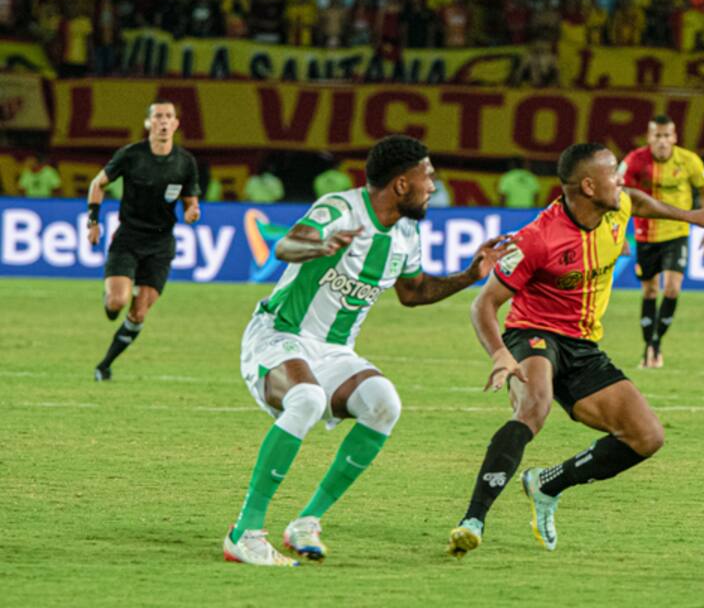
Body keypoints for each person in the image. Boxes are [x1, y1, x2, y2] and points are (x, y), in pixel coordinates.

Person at [447, 142, 704, 557]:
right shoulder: (537, 238)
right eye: (612, 174)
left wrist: (690, 217)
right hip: (533, 333)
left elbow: (636, 200)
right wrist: (499, 353)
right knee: (534, 406)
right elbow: (483, 304)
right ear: (588, 186)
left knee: (647, 436)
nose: (621, 181)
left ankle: (547, 484)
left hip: (583, 344)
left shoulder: (617, 208)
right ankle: (473, 519)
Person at [224, 135, 512, 566]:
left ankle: (306, 521)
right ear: (401, 184)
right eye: (427, 176)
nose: (433, 186)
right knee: (307, 398)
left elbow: (414, 293)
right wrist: (318, 246)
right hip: (278, 335)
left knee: (384, 404)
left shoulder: (407, 233)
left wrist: (470, 275)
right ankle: (244, 533)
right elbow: (285, 246)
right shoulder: (339, 209)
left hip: (334, 351)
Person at [86, 103, 200, 381]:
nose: (163, 122)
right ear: (149, 123)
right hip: (129, 237)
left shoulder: (185, 162)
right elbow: (97, 184)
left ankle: (105, 365)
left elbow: (190, 200)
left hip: (160, 244)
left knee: (138, 313)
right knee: (118, 302)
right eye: (158, 116)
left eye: (169, 117)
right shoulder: (131, 155)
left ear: (176, 124)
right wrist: (93, 222)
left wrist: (192, 211)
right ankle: (110, 302)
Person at [619, 115, 704, 367]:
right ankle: (648, 347)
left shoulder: (689, 160)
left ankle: (655, 344)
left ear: (674, 137)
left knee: (672, 288)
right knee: (650, 290)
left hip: (677, 232)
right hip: (646, 234)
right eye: (657, 136)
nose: (662, 141)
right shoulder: (634, 160)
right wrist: (619, 233)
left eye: (666, 136)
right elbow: (617, 195)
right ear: (649, 138)